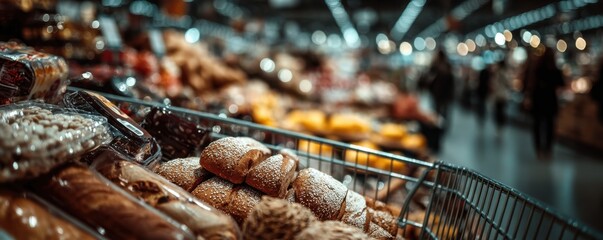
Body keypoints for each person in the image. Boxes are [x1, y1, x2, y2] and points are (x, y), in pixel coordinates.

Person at [522, 47, 565, 159]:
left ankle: (538, 149)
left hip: (538, 99)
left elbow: (529, 83)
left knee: (537, 125)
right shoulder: (555, 69)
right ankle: (548, 149)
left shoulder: (537, 68)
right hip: (550, 100)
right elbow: (561, 84)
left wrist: (528, 97)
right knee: (550, 126)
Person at [425, 50, 455, 125]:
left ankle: (439, 124)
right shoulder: (445, 65)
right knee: (442, 110)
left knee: (439, 110)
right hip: (441, 93)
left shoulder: (437, 65)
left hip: (439, 92)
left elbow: (429, 79)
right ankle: (440, 124)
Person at [491, 60, 511, 135]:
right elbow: (509, 84)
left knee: (498, 112)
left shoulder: (497, 73)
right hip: (504, 95)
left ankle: (498, 127)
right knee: (502, 111)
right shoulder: (506, 73)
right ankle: (501, 126)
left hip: (498, 95)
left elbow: (494, 84)